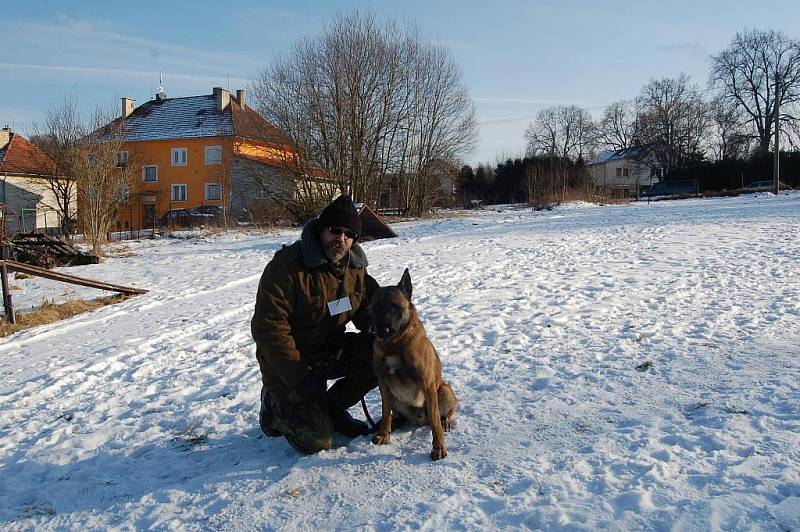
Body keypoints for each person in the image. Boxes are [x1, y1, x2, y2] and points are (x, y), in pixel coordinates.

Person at [251, 195, 379, 454]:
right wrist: (300, 379)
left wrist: (387, 337)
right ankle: (273, 406)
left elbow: (368, 311)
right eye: (335, 231)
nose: (341, 239)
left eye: (348, 234)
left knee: (381, 357)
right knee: (317, 442)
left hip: (328, 349)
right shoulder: (286, 267)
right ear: (321, 229)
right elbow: (269, 330)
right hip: (288, 362)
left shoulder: (355, 268)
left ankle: (331, 408)